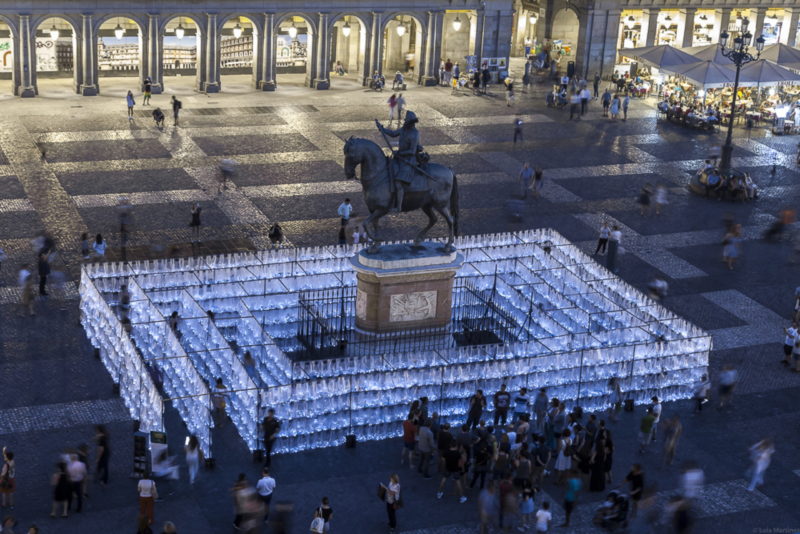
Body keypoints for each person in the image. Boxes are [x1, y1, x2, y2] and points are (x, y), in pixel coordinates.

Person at [375, 111, 421, 213]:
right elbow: (393, 134)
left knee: (398, 183)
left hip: (409, 160)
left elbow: (412, 151)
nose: (405, 122)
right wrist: (381, 128)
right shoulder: (404, 129)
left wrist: (399, 153)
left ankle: (399, 207)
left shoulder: (415, 134)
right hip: (400, 157)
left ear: (411, 122)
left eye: (406, 121)